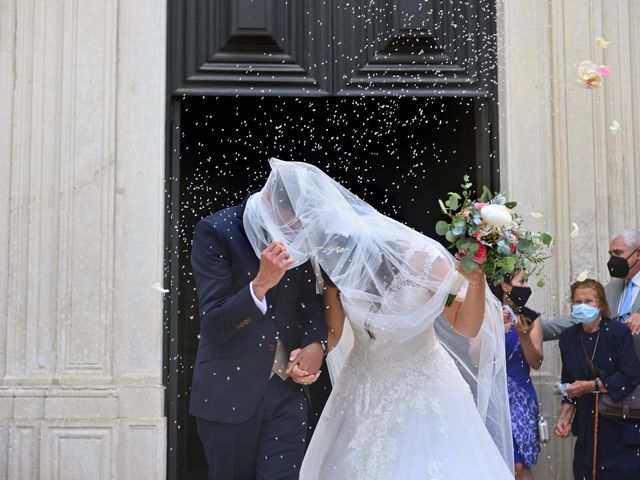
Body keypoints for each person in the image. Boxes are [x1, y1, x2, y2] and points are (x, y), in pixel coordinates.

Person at [244, 159, 514, 479]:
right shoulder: (335, 267)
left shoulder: (423, 258)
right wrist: (310, 353)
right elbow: (333, 331)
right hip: (361, 391)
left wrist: (476, 280)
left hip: (425, 388)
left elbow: (464, 325)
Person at [189, 184, 328, 479]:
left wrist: (317, 344)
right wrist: (259, 285)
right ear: (271, 203)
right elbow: (213, 325)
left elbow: (312, 304)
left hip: (287, 392)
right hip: (228, 395)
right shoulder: (215, 231)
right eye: (293, 223)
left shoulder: (298, 235)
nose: (297, 231)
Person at [554, 279, 640, 480]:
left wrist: (592, 386)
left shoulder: (617, 332)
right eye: (577, 301)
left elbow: (631, 374)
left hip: (617, 423)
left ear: (600, 304)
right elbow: (568, 380)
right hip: (586, 425)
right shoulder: (568, 337)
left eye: (588, 301)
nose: (582, 305)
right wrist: (565, 416)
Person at [543, 230, 640, 358]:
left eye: (618, 253)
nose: (613, 260)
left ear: (638, 253)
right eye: (611, 254)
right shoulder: (611, 289)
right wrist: (533, 327)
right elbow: (577, 321)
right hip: (618, 372)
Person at [490, 272, 543, 479]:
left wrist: (523, 335)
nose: (527, 285)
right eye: (522, 281)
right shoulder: (488, 315)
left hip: (522, 399)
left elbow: (536, 362)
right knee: (498, 464)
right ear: (505, 286)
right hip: (495, 398)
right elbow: (474, 357)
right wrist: (494, 328)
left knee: (520, 467)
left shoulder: (531, 317)